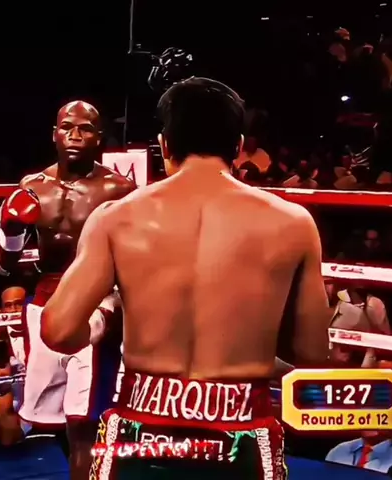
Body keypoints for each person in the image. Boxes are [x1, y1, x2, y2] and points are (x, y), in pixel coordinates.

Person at [40, 78, 330, 478]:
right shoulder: (294, 222)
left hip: (141, 429)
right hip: (241, 433)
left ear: (164, 146)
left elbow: (58, 330)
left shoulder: (116, 217)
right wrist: (253, 326)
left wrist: (108, 314)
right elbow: (313, 352)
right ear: (238, 145)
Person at [0, 100, 136, 479]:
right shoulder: (32, 187)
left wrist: (117, 306)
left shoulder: (119, 190)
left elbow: (136, 256)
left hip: (95, 301)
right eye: (67, 127)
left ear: (99, 137)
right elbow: (8, 262)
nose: (75, 136)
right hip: (45, 302)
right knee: (53, 420)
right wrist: (10, 229)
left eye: (85, 129)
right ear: (54, 134)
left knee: (84, 421)